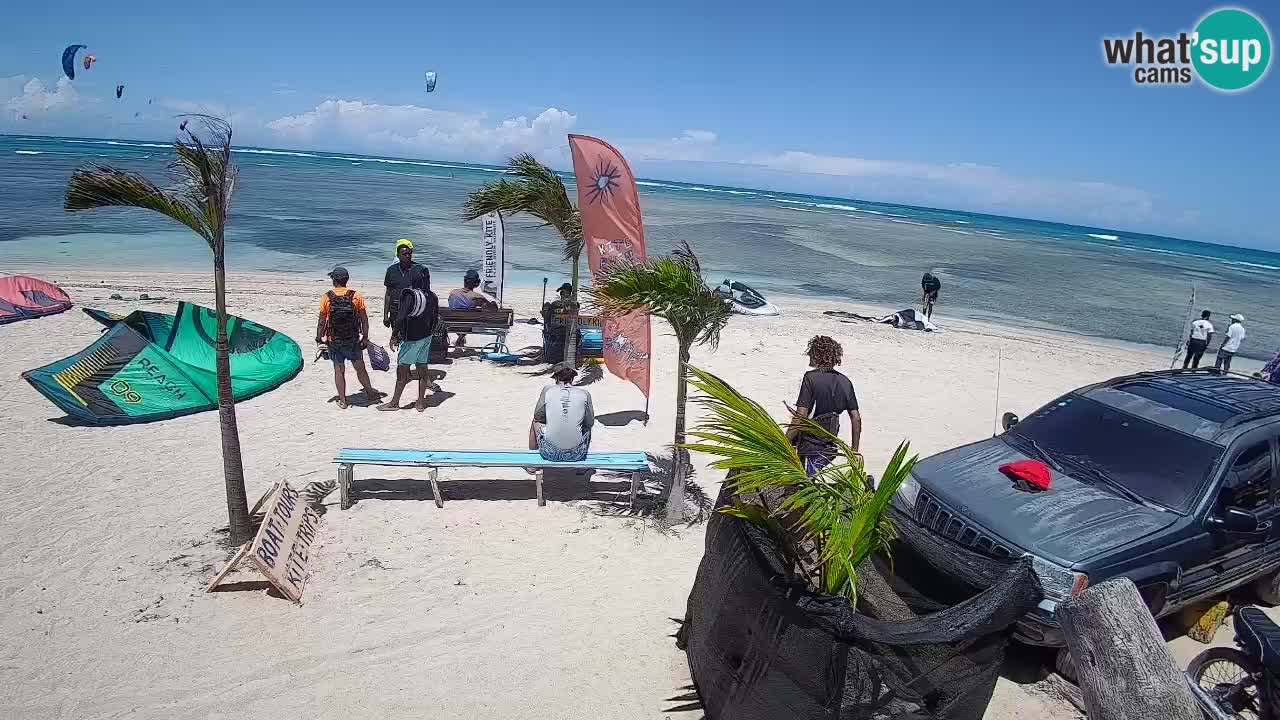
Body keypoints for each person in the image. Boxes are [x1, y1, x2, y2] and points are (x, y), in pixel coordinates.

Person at [786, 335, 862, 476]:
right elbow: (856, 418)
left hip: (810, 444)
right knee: (811, 478)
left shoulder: (810, 378)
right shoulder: (845, 382)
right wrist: (854, 450)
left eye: (811, 352)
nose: (809, 355)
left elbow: (801, 416)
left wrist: (784, 440)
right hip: (829, 444)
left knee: (803, 480)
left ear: (818, 355)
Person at [315, 267, 381, 409]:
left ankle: (343, 400)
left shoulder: (326, 297)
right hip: (353, 340)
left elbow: (321, 321)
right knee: (360, 368)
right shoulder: (356, 296)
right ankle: (369, 392)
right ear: (346, 280)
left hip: (335, 341)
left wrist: (319, 338)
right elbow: (364, 319)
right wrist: (365, 337)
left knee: (339, 370)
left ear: (334, 280)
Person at [378, 270, 439, 412]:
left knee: (402, 373)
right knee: (423, 370)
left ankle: (394, 403)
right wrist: (429, 333)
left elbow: (401, 317)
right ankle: (420, 402)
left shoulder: (411, 295)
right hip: (426, 337)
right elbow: (435, 319)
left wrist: (394, 335)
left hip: (411, 338)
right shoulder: (432, 296)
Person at [528, 362, 595, 462]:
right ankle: (581, 467)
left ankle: (532, 462)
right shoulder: (585, 394)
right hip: (576, 454)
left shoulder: (547, 390)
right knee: (586, 427)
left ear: (556, 378)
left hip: (549, 453)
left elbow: (538, 416)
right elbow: (589, 423)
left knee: (535, 421)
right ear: (572, 378)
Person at [383, 238, 430, 329]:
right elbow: (388, 294)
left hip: (414, 310)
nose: (407, 256)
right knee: (397, 337)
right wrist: (385, 315)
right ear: (398, 255)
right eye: (404, 254)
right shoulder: (391, 270)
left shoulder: (421, 270)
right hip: (395, 310)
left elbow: (427, 293)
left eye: (409, 253)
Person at [448, 268, 498, 347]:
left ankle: (461, 337)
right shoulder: (477, 297)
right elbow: (493, 310)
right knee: (470, 318)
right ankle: (461, 337)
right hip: (468, 326)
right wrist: (493, 302)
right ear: (476, 283)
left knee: (464, 317)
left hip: (452, 325)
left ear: (464, 281)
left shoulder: (453, 293)